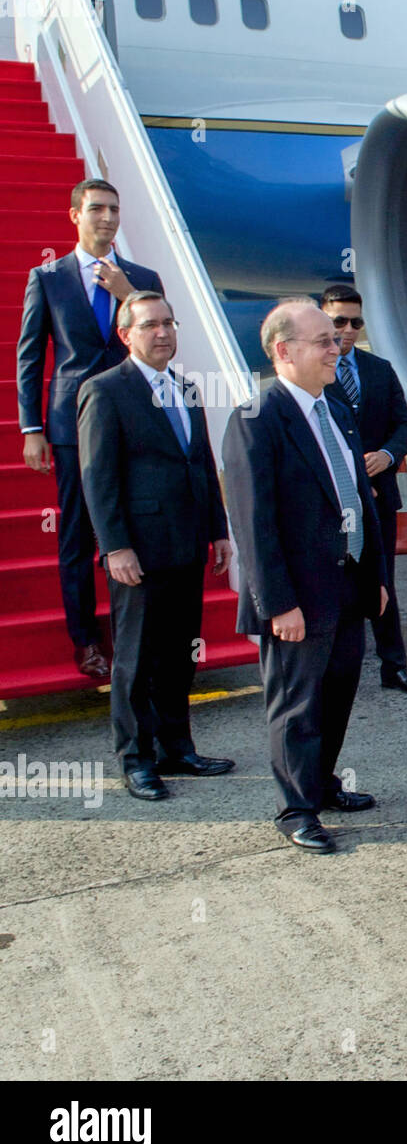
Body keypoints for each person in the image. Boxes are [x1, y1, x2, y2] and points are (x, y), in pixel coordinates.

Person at [222, 300, 388, 854]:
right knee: (296, 704)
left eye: (336, 339)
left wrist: (377, 577)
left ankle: (320, 782)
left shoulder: (335, 409)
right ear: (283, 351)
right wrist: (276, 604)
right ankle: (296, 809)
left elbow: (361, 499)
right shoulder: (256, 418)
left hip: (346, 586)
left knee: (337, 695)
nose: (335, 348)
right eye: (322, 341)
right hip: (296, 597)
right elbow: (253, 523)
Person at [77, 290, 236, 801]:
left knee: (178, 654)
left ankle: (177, 747)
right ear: (126, 335)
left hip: (187, 544)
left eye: (169, 323)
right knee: (136, 657)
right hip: (139, 552)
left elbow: (202, 465)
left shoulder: (187, 389)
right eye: (150, 325)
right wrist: (115, 546)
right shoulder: (105, 391)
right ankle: (136, 758)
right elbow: (97, 478)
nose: (163, 332)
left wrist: (218, 529)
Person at [16, 179, 164, 679]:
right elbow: (31, 356)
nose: (107, 217)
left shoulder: (142, 278)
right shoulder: (49, 277)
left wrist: (129, 296)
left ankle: (136, 633)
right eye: (97, 208)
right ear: (75, 215)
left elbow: (158, 345)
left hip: (133, 417)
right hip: (69, 423)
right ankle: (85, 640)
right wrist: (31, 426)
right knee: (79, 534)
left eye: (114, 209)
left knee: (136, 526)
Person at [320, 284, 407, 696]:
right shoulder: (314, 373)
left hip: (380, 497)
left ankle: (394, 666)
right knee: (334, 580)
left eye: (355, 322)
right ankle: (329, 667)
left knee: (383, 581)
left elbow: (405, 424)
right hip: (335, 502)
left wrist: (387, 453)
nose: (347, 330)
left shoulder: (379, 369)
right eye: (338, 321)